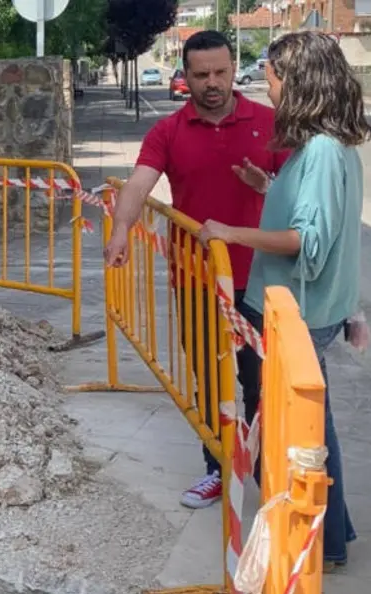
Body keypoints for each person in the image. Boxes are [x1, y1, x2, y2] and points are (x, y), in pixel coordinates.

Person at [198, 30, 371, 570]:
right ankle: (331, 533)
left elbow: (309, 242)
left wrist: (232, 232)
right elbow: (315, 219)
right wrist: (265, 185)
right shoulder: (323, 147)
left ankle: (315, 540)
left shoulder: (321, 151)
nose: (265, 85)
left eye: (271, 75)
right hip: (303, 307)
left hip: (294, 310)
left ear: (296, 82)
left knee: (296, 434)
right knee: (311, 427)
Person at [104, 29, 288, 510]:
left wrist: (267, 185)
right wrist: (121, 230)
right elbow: (139, 182)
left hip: (260, 282)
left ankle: (268, 476)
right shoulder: (169, 131)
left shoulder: (270, 123)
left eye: (221, 72)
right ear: (185, 76)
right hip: (197, 281)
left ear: (234, 70)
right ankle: (218, 470)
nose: (213, 83)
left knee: (261, 383)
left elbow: (297, 194)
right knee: (210, 380)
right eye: (202, 74)